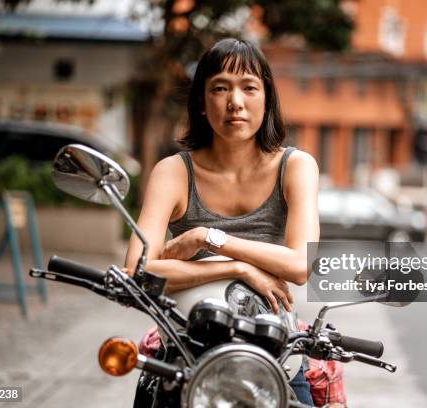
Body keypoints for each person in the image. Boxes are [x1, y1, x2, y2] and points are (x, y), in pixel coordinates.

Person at [125, 38, 319, 405]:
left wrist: (207, 238)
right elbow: (137, 272)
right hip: (186, 352)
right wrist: (239, 269)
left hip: (272, 355)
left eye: (249, 87)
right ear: (200, 102)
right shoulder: (173, 172)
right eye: (220, 88)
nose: (236, 102)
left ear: (267, 99)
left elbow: (299, 265)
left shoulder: (295, 167)